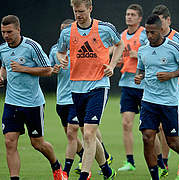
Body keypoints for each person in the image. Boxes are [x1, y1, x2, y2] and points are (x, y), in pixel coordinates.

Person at [56, 0, 124, 179]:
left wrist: (112, 65)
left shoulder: (105, 28)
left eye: (81, 11)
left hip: (98, 86)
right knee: (88, 134)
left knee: (88, 133)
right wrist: (62, 58)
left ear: (90, 8)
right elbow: (60, 51)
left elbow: (120, 45)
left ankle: (84, 175)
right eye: (75, 11)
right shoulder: (67, 32)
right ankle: (107, 170)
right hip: (76, 88)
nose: (78, 15)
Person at [0, 15, 66, 180]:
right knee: (9, 141)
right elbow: (4, 66)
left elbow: (48, 70)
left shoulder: (32, 47)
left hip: (33, 103)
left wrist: (23, 68)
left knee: (37, 144)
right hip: (11, 102)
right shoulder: (2, 49)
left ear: (18, 30)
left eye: (9, 32)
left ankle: (56, 165)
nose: (6, 36)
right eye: (3, 32)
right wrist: (1, 78)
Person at [135, 14, 179, 180]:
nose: (149, 36)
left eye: (152, 32)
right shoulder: (143, 49)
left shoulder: (173, 47)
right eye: (147, 32)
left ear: (161, 30)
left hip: (169, 102)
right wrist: (139, 76)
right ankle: (155, 177)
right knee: (147, 137)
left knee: (173, 142)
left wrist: (172, 74)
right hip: (148, 100)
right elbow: (141, 68)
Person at [50, 19, 113, 178]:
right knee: (83, 134)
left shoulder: (91, 41)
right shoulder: (56, 51)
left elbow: (110, 47)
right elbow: (49, 69)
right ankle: (106, 167)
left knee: (81, 133)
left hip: (87, 93)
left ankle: (69, 172)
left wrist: (109, 63)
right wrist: (54, 68)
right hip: (65, 97)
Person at [152, 5, 179, 180]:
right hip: (156, 93)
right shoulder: (152, 37)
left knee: (176, 130)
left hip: (174, 90)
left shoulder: (177, 38)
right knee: (157, 129)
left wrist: (172, 71)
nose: (158, 23)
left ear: (168, 20)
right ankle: (164, 163)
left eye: (161, 20)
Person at [116, 4, 147, 172]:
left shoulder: (144, 34)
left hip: (143, 85)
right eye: (127, 14)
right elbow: (121, 58)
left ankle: (160, 161)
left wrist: (139, 54)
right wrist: (119, 61)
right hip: (127, 84)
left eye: (133, 15)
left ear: (139, 18)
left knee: (150, 129)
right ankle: (130, 162)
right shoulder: (121, 35)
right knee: (126, 124)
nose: (129, 17)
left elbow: (152, 55)